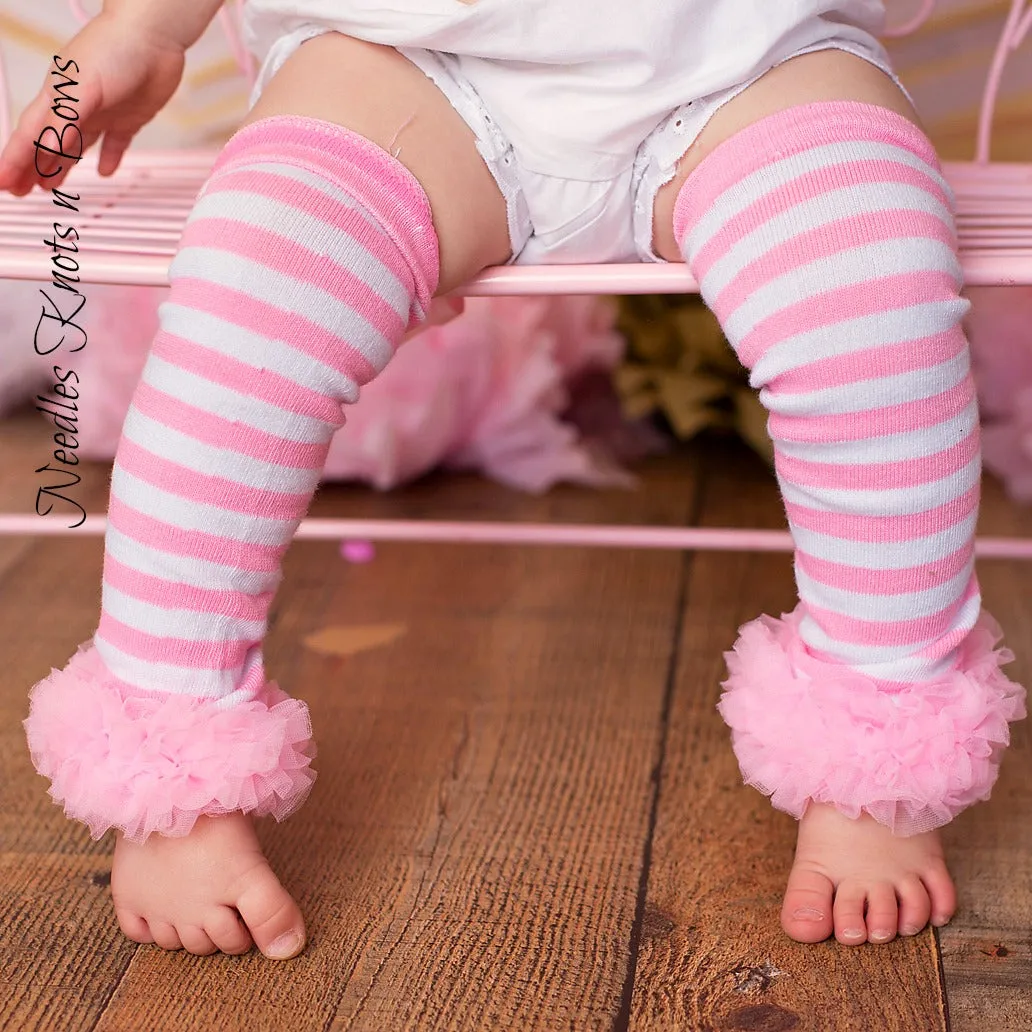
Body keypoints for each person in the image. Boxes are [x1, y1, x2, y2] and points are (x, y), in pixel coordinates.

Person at [1, 0, 1024, 961]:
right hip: (400, 58)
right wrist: (145, 23)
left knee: (870, 300)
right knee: (253, 300)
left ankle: (881, 764)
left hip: (753, 54)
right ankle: (170, 772)